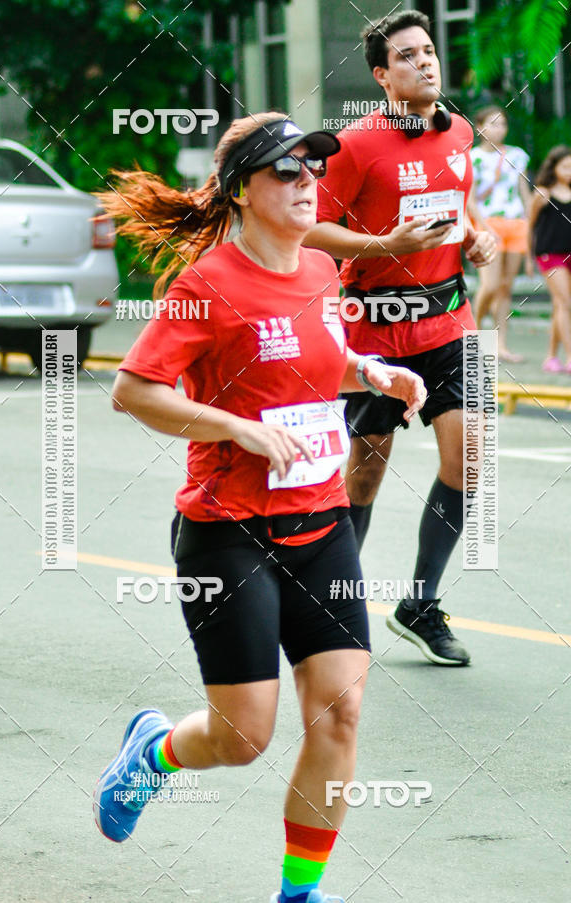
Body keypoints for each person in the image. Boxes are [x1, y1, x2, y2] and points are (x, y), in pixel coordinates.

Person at [91, 113, 426, 903]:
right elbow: (132, 390)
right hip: (228, 534)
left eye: (314, 168)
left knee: (340, 714)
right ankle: (153, 752)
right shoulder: (205, 285)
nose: (308, 182)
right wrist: (233, 425)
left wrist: (372, 374)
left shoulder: (318, 271)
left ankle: (298, 894)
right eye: (287, 171)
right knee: (243, 736)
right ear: (243, 189)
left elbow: (314, 365)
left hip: (322, 526)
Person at [305, 10, 496, 667]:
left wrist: (476, 234)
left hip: (450, 320)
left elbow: (458, 200)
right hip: (375, 331)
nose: (425, 62)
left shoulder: (460, 131)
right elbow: (312, 229)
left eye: (429, 51)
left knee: (469, 455)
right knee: (365, 473)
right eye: (408, 56)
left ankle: (419, 601)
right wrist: (383, 244)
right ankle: (339, 598)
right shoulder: (355, 145)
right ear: (384, 77)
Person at [471, 106, 532, 362]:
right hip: (487, 225)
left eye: (502, 124)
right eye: (493, 123)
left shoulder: (517, 156)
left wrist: (529, 226)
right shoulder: (472, 157)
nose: (499, 129)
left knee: (506, 288)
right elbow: (469, 200)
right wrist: (486, 227)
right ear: (480, 128)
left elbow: (524, 192)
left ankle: (501, 345)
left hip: (515, 224)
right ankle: (474, 332)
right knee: (491, 284)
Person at [527, 145, 571, 373]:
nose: (569, 171)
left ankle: (552, 357)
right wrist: (527, 258)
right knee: (565, 303)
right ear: (554, 167)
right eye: (565, 166)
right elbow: (530, 225)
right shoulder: (543, 193)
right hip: (549, 254)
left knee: (559, 305)